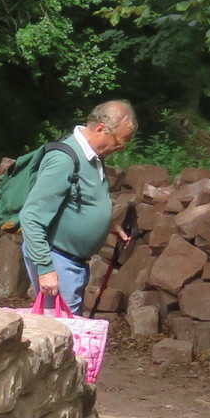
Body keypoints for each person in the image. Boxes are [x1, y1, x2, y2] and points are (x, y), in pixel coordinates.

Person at [20, 99, 137, 313]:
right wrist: (45, 269)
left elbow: (80, 200)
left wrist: (107, 223)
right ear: (101, 129)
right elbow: (31, 216)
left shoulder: (94, 156)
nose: (121, 148)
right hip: (57, 259)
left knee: (68, 326)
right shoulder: (64, 159)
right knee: (61, 328)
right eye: (119, 142)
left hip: (72, 263)